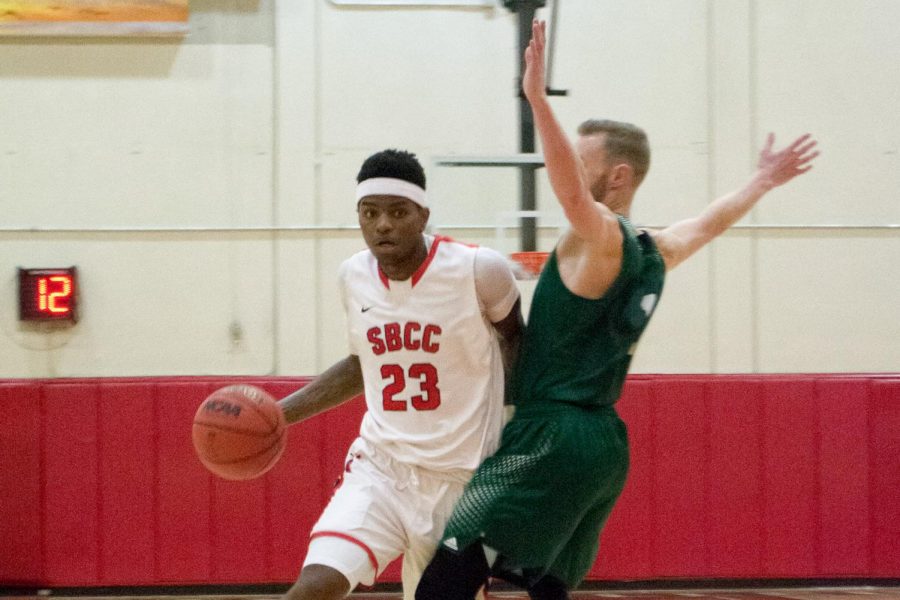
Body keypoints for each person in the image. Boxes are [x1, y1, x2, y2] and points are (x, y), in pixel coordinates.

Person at [416, 20, 819, 600]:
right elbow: (707, 222)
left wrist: (535, 100)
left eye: (584, 161)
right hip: (604, 446)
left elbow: (572, 193)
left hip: (551, 431)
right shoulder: (656, 249)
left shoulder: (599, 238)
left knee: (454, 561)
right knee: (546, 585)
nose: (571, 171)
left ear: (618, 176)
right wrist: (760, 181)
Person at [276, 148, 524, 600]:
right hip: (382, 469)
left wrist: (516, 424)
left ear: (423, 214)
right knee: (313, 587)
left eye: (397, 212)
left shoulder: (478, 269)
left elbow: (515, 337)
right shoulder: (353, 275)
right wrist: (279, 415)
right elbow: (360, 365)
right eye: (369, 213)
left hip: (464, 484)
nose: (382, 225)